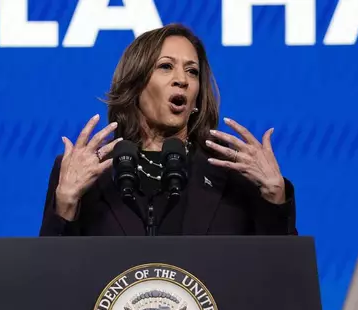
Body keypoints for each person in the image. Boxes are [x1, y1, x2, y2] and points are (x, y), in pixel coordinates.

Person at [39, 23, 297, 237]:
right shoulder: (87, 174)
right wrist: (66, 204)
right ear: (135, 83)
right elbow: (50, 281)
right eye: (165, 66)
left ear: (197, 98)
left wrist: (275, 196)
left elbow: (280, 279)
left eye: (192, 71)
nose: (182, 80)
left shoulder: (233, 173)